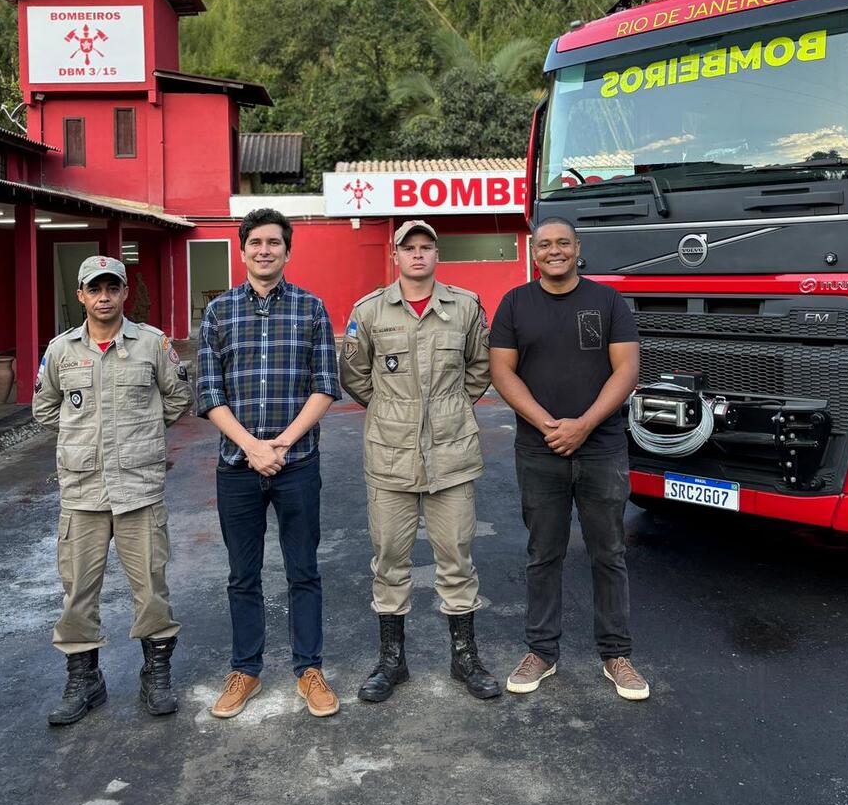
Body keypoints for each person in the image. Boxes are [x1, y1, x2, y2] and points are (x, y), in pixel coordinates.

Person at [489, 216, 649, 700]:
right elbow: (502, 371)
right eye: (544, 245)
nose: (553, 251)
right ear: (533, 252)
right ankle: (541, 651)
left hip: (601, 448)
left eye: (563, 243)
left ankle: (616, 655)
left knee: (609, 552)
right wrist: (547, 424)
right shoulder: (515, 304)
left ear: (578, 248)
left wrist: (583, 424)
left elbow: (627, 369)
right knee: (543, 554)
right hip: (539, 450)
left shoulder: (608, 302)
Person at [340, 219, 500, 702]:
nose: (417, 255)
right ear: (395, 255)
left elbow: (480, 367)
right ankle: (392, 662)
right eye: (408, 247)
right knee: (390, 559)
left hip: (451, 454)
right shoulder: (369, 311)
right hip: (390, 457)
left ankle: (464, 659)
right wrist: (396, 413)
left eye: (426, 247)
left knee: (456, 558)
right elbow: (354, 374)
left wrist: (449, 408)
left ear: (436, 255)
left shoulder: (465, 307)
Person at [33, 255, 192, 726]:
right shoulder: (62, 351)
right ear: (81, 296)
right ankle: (85, 680)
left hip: (139, 489)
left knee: (151, 590)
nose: (104, 297)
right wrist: (84, 437)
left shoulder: (151, 345)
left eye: (112, 288)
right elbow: (45, 409)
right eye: (94, 289)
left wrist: (137, 435)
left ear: (124, 293)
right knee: (78, 591)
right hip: (81, 492)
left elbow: (178, 398)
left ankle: (155, 673)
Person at [197, 207, 342, 719]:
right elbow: (209, 392)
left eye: (274, 243)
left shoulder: (311, 308)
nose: (264, 250)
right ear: (242, 250)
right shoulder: (219, 313)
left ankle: (309, 669)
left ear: (287, 250)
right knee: (243, 574)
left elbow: (326, 385)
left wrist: (279, 444)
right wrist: (252, 447)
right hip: (237, 468)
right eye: (255, 242)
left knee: (304, 570)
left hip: (298, 463)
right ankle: (247, 670)